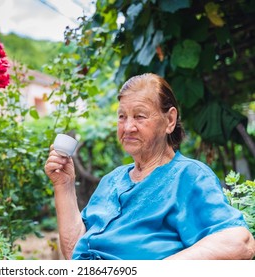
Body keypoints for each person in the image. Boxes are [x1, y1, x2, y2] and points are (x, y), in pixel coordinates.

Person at [44, 73, 255, 260]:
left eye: (139, 116)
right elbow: (74, 252)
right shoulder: (111, 180)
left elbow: (240, 241)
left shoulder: (189, 177)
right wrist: (64, 185)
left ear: (170, 120)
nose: (128, 127)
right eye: (122, 116)